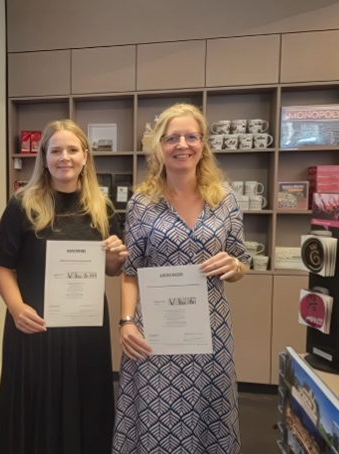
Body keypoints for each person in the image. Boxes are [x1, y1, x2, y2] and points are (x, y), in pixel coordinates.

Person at [113, 103, 251, 453]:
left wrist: (235, 267)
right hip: (156, 333)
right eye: (172, 138)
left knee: (211, 419)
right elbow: (131, 270)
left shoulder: (225, 200)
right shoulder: (142, 203)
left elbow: (242, 261)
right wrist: (126, 322)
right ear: (159, 145)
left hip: (211, 332)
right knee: (157, 420)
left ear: (203, 144)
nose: (182, 145)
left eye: (192, 137)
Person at [0, 119, 128, 454]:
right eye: (56, 151)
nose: (64, 157)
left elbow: (112, 270)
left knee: (85, 404)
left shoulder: (102, 208)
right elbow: (2, 266)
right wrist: (16, 308)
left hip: (86, 328)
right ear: (44, 157)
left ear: (85, 156)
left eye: (72, 150)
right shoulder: (22, 205)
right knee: (36, 408)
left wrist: (115, 258)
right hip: (35, 326)